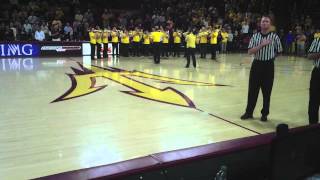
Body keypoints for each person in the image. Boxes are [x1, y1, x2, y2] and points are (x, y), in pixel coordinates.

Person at [241, 15, 283, 122]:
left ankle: (264, 114)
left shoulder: (275, 37)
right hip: (257, 65)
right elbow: (250, 52)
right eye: (263, 21)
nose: (264, 23)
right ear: (260, 23)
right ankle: (249, 112)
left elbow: (280, 52)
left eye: (267, 21)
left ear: (270, 24)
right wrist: (261, 45)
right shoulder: (255, 37)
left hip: (268, 66)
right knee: (252, 90)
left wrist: (271, 59)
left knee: (267, 91)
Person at [307, 37, 320, 124]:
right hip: (318, 73)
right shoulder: (317, 40)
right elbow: (309, 56)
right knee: (314, 102)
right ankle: (312, 127)